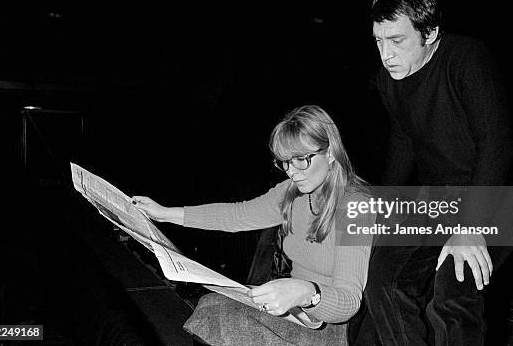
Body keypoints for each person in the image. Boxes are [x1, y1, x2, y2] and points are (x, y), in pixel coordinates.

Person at [348, 0, 513, 345]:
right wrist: (384, 203)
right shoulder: (389, 81)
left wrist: (470, 227)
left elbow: (497, 142)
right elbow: (404, 141)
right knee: (385, 279)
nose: (386, 54)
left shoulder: (467, 59)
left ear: (431, 33)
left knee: (453, 290)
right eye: (378, 41)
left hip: (496, 196)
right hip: (439, 198)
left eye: (397, 41)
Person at [133, 105, 373, 346]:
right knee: (211, 306)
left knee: (225, 322)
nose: (292, 172)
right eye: (285, 162)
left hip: (328, 327)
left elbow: (348, 302)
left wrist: (306, 292)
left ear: (330, 153)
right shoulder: (294, 192)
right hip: (296, 312)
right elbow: (237, 215)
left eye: (302, 159)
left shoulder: (356, 207)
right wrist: (165, 214)